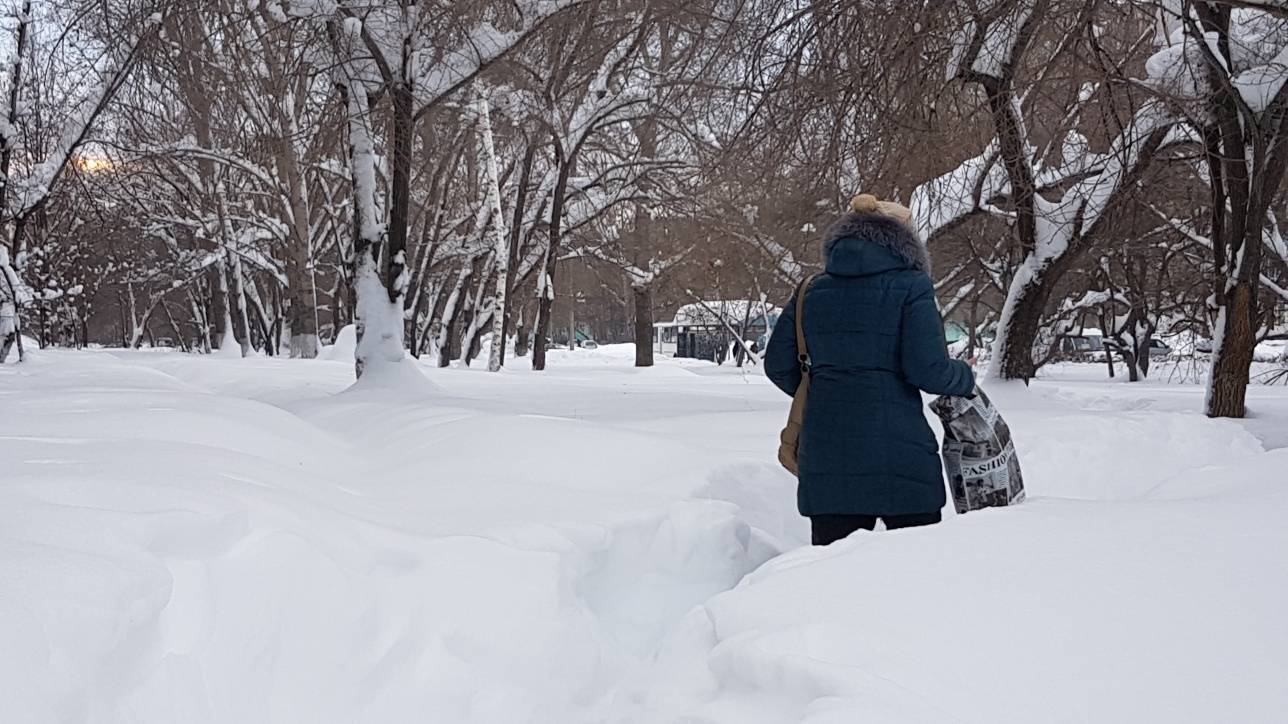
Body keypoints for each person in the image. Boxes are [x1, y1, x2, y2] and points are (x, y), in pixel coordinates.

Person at [765, 194, 975, 546]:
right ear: (905, 241)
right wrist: (964, 376)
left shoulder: (811, 291)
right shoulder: (911, 287)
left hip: (827, 454)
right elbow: (929, 371)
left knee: (834, 572)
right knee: (916, 570)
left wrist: (827, 392)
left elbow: (777, 365)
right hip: (899, 453)